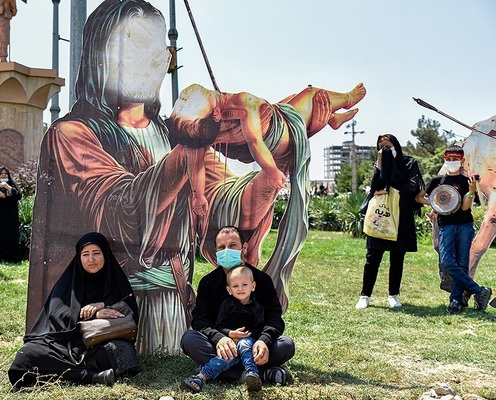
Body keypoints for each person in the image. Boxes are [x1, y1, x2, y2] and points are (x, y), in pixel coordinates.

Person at [28, 0, 365, 354]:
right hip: (116, 306)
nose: (155, 60)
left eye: (160, 50)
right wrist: (196, 140)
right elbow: (119, 210)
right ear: (100, 53)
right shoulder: (72, 135)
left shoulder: (171, 136)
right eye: (135, 44)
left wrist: (273, 170)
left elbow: (223, 206)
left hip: (174, 302)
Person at [166, 83, 364, 215]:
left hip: (271, 128)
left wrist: (272, 171)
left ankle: (334, 117)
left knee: (294, 98)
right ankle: (346, 99)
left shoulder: (243, 103)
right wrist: (198, 195)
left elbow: (253, 141)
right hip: (278, 138)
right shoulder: (193, 128)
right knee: (310, 94)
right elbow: (252, 142)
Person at [8, 232, 141, 388]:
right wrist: (92, 315)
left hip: (99, 344)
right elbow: (57, 315)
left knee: (122, 350)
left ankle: (66, 373)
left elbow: (129, 312)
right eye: (85, 254)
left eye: (96, 253)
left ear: (105, 254)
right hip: (66, 345)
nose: (91, 259)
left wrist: (104, 304)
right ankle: (91, 377)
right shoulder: (69, 281)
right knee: (27, 355)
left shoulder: (116, 280)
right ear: (79, 257)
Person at [181, 226, 294, 386]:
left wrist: (263, 341)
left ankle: (217, 370)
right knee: (189, 340)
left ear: (244, 247)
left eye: (233, 245)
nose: (227, 250)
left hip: (255, 343)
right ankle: (260, 374)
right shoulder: (208, 283)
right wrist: (220, 338)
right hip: (223, 346)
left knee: (286, 345)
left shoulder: (262, 280)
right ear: (216, 251)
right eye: (221, 247)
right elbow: (200, 320)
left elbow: (274, 318)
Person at [417, 145, 492, 314]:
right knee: (446, 261)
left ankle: (456, 301)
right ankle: (479, 291)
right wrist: (437, 204)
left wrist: (471, 191)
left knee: (462, 263)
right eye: (449, 159)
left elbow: (465, 208)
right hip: (446, 225)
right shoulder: (438, 181)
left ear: (462, 161)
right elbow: (419, 196)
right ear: (445, 160)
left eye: (455, 159)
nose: (452, 162)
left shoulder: (466, 181)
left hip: (465, 225)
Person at [355, 134, 425, 309]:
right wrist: (380, 165)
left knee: (397, 257)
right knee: (372, 257)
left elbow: (412, 185)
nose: (385, 149)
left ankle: (393, 295)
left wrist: (389, 189)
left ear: (396, 145)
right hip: (382, 215)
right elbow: (374, 187)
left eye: (388, 146)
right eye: (381, 147)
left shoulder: (409, 163)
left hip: (402, 214)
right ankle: (365, 295)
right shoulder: (379, 164)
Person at [183, 266, 265, 392]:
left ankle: (251, 374)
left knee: (247, 345)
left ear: (253, 286)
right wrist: (230, 334)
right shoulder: (227, 305)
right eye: (236, 286)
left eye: (244, 284)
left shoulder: (257, 307)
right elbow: (220, 325)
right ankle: (201, 377)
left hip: (250, 343)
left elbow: (259, 328)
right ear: (229, 289)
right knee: (226, 355)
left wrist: (250, 337)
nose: (240, 289)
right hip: (228, 342)